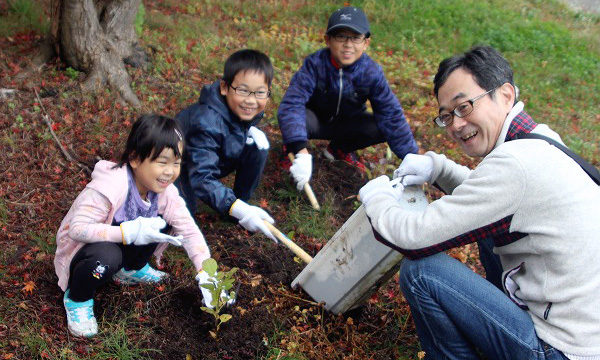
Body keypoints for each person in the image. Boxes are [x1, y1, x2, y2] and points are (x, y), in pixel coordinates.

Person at [358, 46, 600, 359]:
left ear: (505, 95)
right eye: (446, 116)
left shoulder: (516, 165)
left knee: (422, 272)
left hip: (559, 350)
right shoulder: (541, 139)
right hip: (584, 332)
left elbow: (413, 239)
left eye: (464, 107)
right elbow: (493, 196)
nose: (456, 125)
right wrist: (439, 169)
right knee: (489, 234)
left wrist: (377, 199)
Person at [54, 115, 231, 338]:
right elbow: (78, 229)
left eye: (176, 163)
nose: (170, 171)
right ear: (135, 159)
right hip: (88, 251)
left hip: (121, 246)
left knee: (166, 221)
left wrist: (207, 273)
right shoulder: (111, 186)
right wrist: (127, 233)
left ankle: (130, 269)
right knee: (105, 257)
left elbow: (189, 230)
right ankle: (78, 298)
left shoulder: (164, 192)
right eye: (162, 162)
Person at [277, 6, 418, 191]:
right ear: (328, 39)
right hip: (315, 121)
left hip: (346, 124)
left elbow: (391, 114)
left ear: (366, 42)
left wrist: (414, 160)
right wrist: (301, 150)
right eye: (341, 36)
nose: (348, 44)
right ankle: (293, 152)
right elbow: (291, 104)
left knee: (380, 125)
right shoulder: (314, 65)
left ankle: (338, 149)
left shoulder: (371, 73)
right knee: (299, 117)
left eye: (356, 37)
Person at [176, 49, 276, 242]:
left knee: (258, 146)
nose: (251, 100)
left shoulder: (242, 110)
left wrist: (248, 131)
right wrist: (236, 207)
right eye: (243, 90)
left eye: (260, 93)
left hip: (212, 157)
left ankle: (237, 208)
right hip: (182, 168)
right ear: (224, 87)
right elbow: (202, 176)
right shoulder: (205, 122)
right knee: (181, 218)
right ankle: (235, 207)